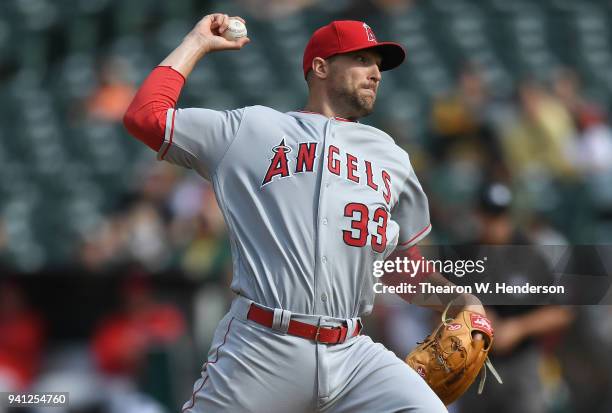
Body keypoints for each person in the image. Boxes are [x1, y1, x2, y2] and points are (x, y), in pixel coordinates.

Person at [123, 13, 487, 413]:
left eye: (378, 66)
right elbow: (145, 116)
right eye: (363, 60)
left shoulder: (393, 158)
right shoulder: (251, 129)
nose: (376, 74)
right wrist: (196, 42)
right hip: (262, 346)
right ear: (320, 67)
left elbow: (400, 269)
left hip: (352, 355)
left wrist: (459, 297)